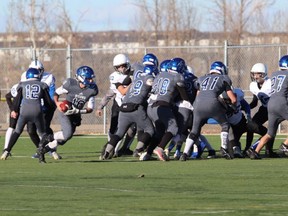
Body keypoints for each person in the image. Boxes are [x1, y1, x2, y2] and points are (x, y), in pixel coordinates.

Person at [37, 66, 98, 163]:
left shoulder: (92, 89)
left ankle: (43, 150)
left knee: (63, 140)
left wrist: (78, 111)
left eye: (91, 78)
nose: (91, 81)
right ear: (81, 78)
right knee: (67, 134)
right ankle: (46, 139)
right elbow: (56, 93)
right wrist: (58, 104)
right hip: (65, 111)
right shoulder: (70, 84)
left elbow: (90, 108)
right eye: (88, 78)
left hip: (76, 114)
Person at [180, 61, 237, 161]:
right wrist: (232, 107)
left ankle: (184, 154)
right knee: (225, 125)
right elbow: (233, 99)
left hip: (197, 105)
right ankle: (223, 148)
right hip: (212, 104)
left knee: (194, 131)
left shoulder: (201, 79)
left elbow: (198, 94)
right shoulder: (224, 79)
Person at [100, 65, 158, 160]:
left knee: (119, 133)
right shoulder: (149, 78)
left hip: (123, 108)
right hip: (136, 108)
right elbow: (153, 86)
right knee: (150, 130)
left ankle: (106, 152)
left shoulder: (136, 79)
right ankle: (138, 151)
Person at [1, 68, 55, 160]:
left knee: (17, 132)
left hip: (24, 112)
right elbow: (48, 102)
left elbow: (17, 100)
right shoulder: (42, 85)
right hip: (37, 111)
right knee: (42, 134)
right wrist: (51, 108)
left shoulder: (22, 85)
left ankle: (6, 151)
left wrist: (14, 110)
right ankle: (52, 152)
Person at [143, 57, 189, 161]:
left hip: (151, 107)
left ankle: (148, 154)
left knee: (159, 132)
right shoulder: (178, 77)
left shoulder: (160, 74)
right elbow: (184, 97)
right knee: (173, 128)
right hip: (162, 106)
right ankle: (160, 148)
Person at [247, 55, 288, 159]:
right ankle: (285, 146)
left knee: (269, 133)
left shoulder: (274, 75)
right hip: (281, 103)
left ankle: (255, 151)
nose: (255, 76)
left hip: (270, 105)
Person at [96, 53, 136, 157]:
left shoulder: (135, 73)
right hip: (119, 105)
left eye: (123, 66)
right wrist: (101, 106)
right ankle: (110, 147)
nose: (121, 69)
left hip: (131, 105)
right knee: (114, 129)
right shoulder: (115, 77)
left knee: (133, 128)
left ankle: (124, 148)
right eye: (119, 67)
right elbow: (111, 93)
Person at [244, 63, 278, 157]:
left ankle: (269, 151)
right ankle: (247, 147)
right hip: (264, 109)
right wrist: (244, 107)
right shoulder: (253, 85)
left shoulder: (271, 83)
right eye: (253, 74)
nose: (255, 76)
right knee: (251, 125)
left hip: (274, 109)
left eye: (257, 74)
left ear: (263, 74)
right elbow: (254, 102)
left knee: (271, 130)